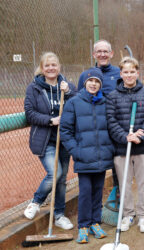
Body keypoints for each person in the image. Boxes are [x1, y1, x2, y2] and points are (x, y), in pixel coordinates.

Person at [60, 68, 113, 243]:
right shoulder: (74, 103)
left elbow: (111, 128)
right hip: (84, 157)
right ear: (84, 83)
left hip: (101, 156)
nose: (93, 84)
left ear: (100, 85)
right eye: (90, 81)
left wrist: (109, 149)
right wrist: (76, 151)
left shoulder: (105, 102)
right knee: (85, 192)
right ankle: (83, 225)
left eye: (97, 82)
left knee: (98, 191)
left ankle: (95, 222)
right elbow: (66, 131)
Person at [23, 52, 76, 230]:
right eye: (47, 65)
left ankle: (59, 215)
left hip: (65, 138)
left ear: (59, 66)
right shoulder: (34, 88)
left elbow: (78, 101)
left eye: (54, 65)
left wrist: (68, 92)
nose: (51, 68)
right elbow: (30, 113)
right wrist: (50, 120)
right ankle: (36, 202)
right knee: (56, 173)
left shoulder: (67, 86)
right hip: (46, 140)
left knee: (61, 180)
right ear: (42, 68)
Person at [106, 57, 144, 233]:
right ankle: (128, 214)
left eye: (132, 71)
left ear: (137, 72)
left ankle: (143, 216)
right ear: (121, 74)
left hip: (142, 147)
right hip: (121, 148)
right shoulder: (113, 96)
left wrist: (139, 137)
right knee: (125, 183)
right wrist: (125, 136)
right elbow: (111, 121)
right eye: (125, 72)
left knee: (143, 183)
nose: (129, 75)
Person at [77, 39, 121, 188]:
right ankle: (96, 201)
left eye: (105, 51)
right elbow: (79, 100)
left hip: (116, 127)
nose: (102, 54)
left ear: (111, 53)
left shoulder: (119, 73)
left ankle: (120, 198)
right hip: (95, 129)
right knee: (96, 165)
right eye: (99, 51)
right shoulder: (85, 75)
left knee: (118, 165)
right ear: (94, 54)